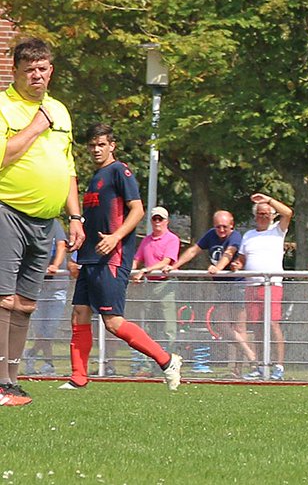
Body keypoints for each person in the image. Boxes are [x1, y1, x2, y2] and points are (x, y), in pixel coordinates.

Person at [60, 123, 182, 391]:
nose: (96, 149)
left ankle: (167, 360)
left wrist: (116, 237)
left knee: (113, 322)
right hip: (90, 258)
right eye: (92, 145)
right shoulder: (96, 176)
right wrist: (78, 245)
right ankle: (78, 377)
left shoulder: (119, 171)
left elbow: (137, 210)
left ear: (112, 145)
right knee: (79, 313)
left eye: (101, 144)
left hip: (111, 258)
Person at [0, 38, 82, 406]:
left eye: (43, 67)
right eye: (29, 68)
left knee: (26, 302)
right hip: (7, 210)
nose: (37, 74)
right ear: (15, 69)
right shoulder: (4, 107)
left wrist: (75, 216)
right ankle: (0, 382)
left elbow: (68, 169)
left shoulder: (61, 111)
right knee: (2, 298)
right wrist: (35, 126)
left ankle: (12, 381)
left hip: (47, 221)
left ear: (51, 70)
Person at [175, 210, 258, 373]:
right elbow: (193, 250)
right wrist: (175, 265)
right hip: (221, 287)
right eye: (218, 226)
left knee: (239, 328)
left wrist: (217, 268)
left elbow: (229, 254)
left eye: (225, 227)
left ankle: (238, 369)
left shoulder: (235, 237)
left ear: (231, 226)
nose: (221, 230)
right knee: (221, 323)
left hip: (237, 285)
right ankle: (251, 355)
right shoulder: (211, 235)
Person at [239, 193, 293, 381]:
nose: (263, 216)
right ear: (255, 216)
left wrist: (268, 200)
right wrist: (237, 265)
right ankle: (261, 365)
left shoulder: (277, 231)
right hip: (251, 285)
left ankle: (278, 366)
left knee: (272, 324)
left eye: (267, 213)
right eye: (260, 214)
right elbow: (241, 258)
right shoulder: (249, 235)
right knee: (257, 328)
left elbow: (288, 213)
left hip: (271, 285)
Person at [130, 206, 181, 365]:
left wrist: (144, 270)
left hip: (166, 285)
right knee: (150, 326)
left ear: (167, 221)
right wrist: (131, 273)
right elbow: (136, 260)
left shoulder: (172, 239)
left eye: (161, 219)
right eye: (155, 219)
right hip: (149, 285)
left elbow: (166, 262)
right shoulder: (146, 240)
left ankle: (171, 361)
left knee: (168, 327)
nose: (158, 222)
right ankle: (150, 364)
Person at [23, 219, 69, 374]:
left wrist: (55, 265)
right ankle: (48, 364)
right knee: (40, 328)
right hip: (37, 287)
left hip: (58, 286)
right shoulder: (28, 224)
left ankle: (32, 353)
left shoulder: (55, 224)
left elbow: (61, 245)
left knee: (51, 328)